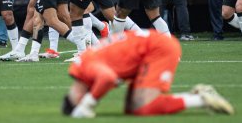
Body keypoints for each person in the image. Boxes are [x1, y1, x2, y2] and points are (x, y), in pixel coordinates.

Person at [62, 29, 234, 118]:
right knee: (132, 109)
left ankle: (200, 99)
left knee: (144, 108)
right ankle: (198, 97)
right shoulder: (83, 66)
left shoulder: (84, 67)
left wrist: (88, 104)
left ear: (76, 97)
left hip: (157, 49)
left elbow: (107, 78)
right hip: (148, 48)